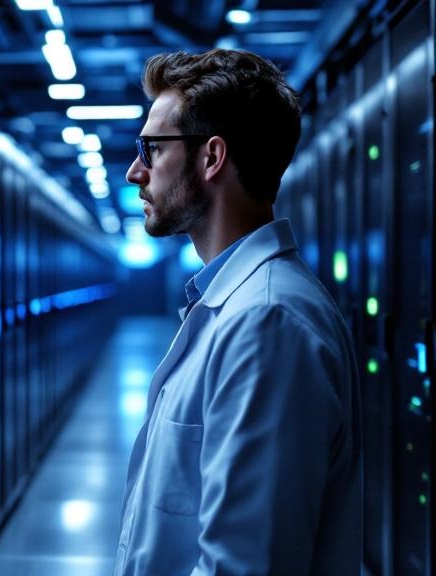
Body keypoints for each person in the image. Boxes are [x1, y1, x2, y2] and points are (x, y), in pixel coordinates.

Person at [113, 49, 361, 575]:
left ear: (211, 157)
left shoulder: (268, 321)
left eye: (151, 148)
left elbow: (246, 563)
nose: (136, 170)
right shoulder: (236, 306)